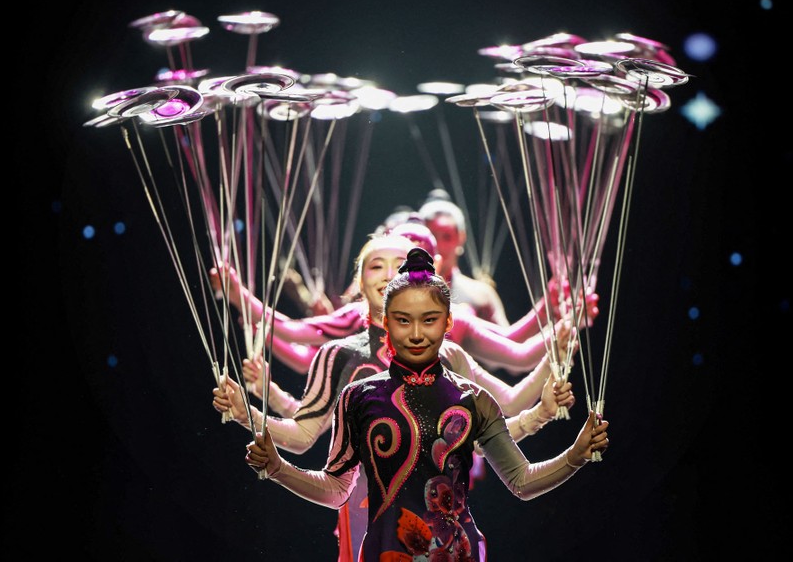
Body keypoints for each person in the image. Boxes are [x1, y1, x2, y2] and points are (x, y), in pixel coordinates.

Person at [213, 234, 577, 561]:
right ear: (360, 282)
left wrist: (545, 396)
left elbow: (498, 419)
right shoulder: (340, 357)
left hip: (448, 535)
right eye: (376, 265)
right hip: (368, 516)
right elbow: (305, 433)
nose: (388, 273)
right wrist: (251, 416)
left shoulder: (451, 358)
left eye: (398, 264)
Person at [209, 223, 588, 376]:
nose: (396, 274)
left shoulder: (455, 321)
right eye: (382, 266)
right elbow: (300, 344)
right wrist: (242, 301)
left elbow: (516, 354)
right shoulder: (358, 317)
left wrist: (563, 321)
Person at [418, 189, 510, 327]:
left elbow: (508, 338)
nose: (439, 246)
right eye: (432, 237)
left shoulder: (481, 295)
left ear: (461, 237)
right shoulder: (402, 292)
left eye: (447, 237)